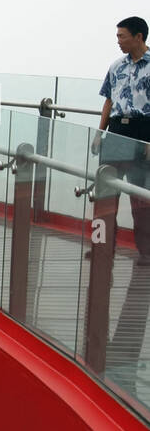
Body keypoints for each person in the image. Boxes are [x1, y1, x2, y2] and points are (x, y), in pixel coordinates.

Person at [92, 16, 150, 262]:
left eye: (121, 36)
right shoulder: (116, 66)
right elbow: (109, 100)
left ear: (138, 37)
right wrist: (99, 132)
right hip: (116, 131)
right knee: (106, 192)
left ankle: (146, 252)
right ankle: (102, 246)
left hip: (144, 131)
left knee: (141, 197)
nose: (118, 41)